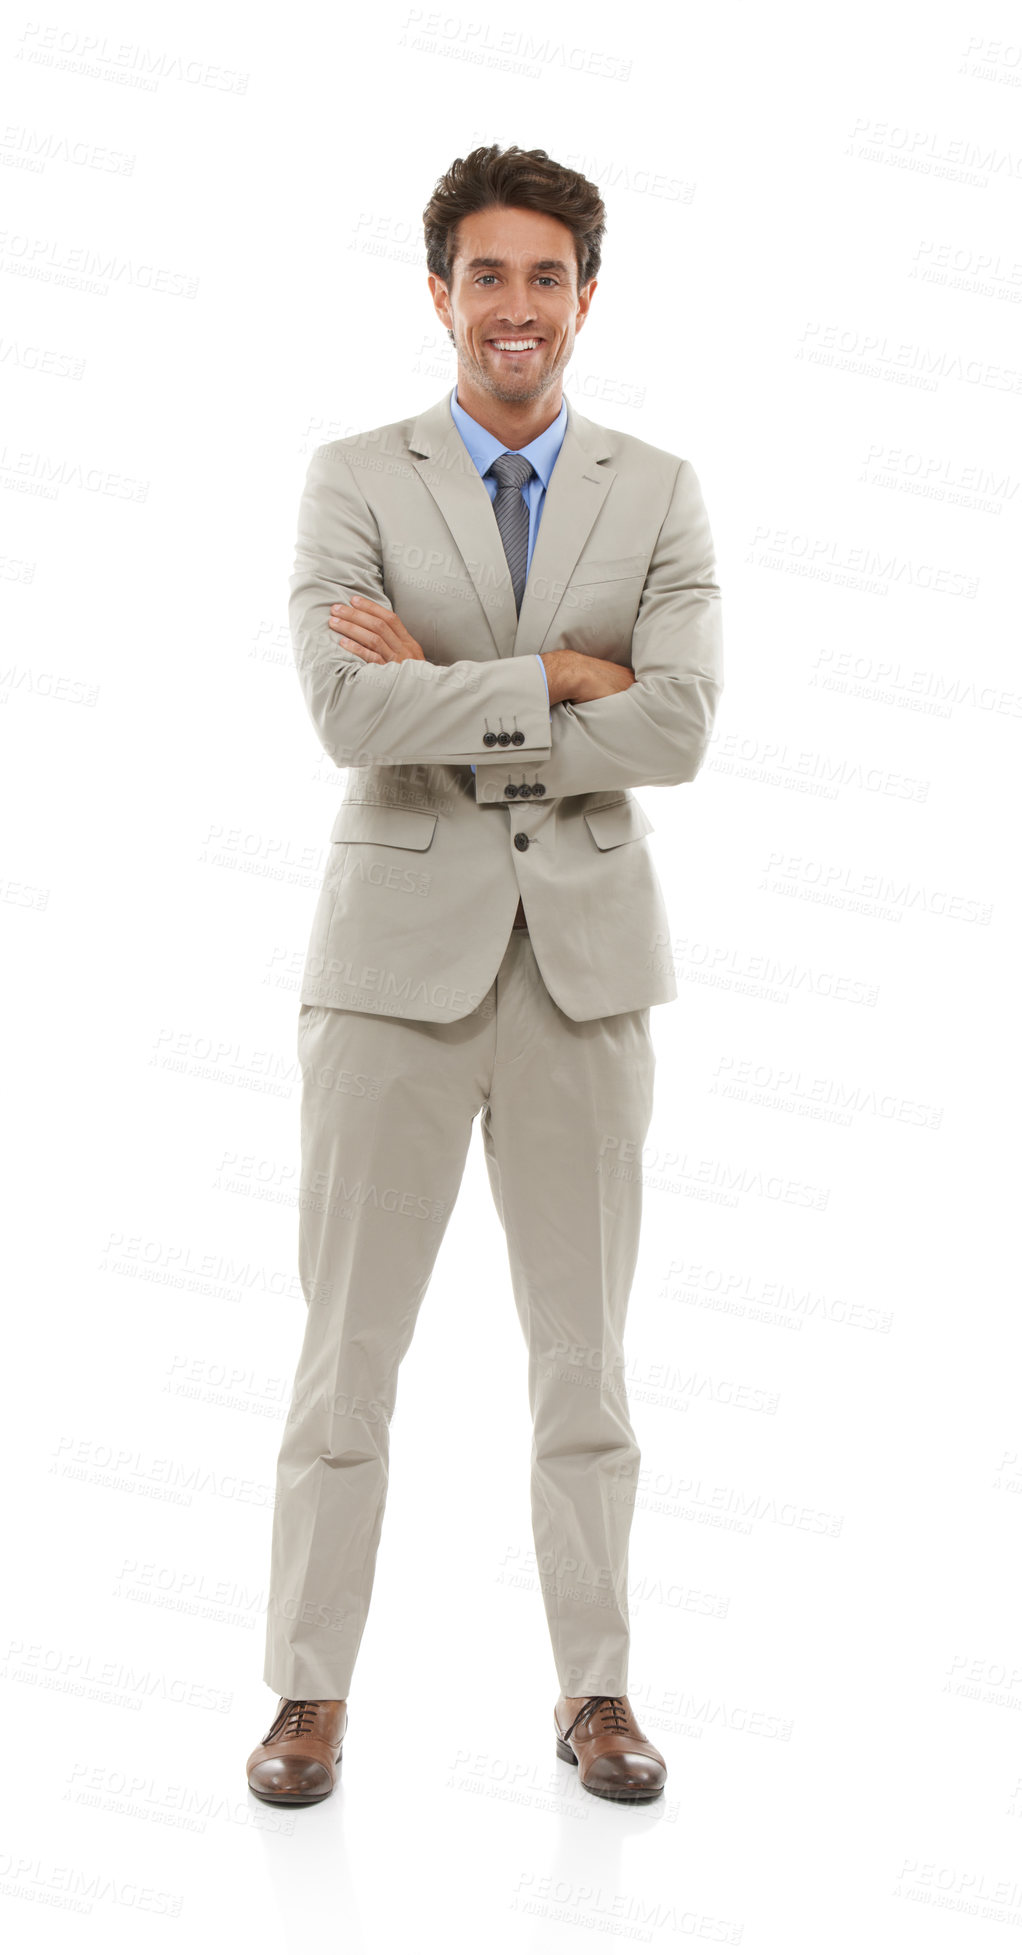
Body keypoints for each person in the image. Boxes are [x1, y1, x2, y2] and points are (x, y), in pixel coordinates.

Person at [245, 143, 723, 1807]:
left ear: (585, 299)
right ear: (438, 293)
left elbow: (674, 726)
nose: (513, 307)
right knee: (342, 1359)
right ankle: (308, 1697)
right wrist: (555, 679)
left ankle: (596, 1695)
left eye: (543, 278)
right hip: (388, 972)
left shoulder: (654, 487)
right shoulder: (352, 477)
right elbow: (343, 716)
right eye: (484, 277)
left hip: (584, 973)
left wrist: (457, 679)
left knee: (584, 1367)